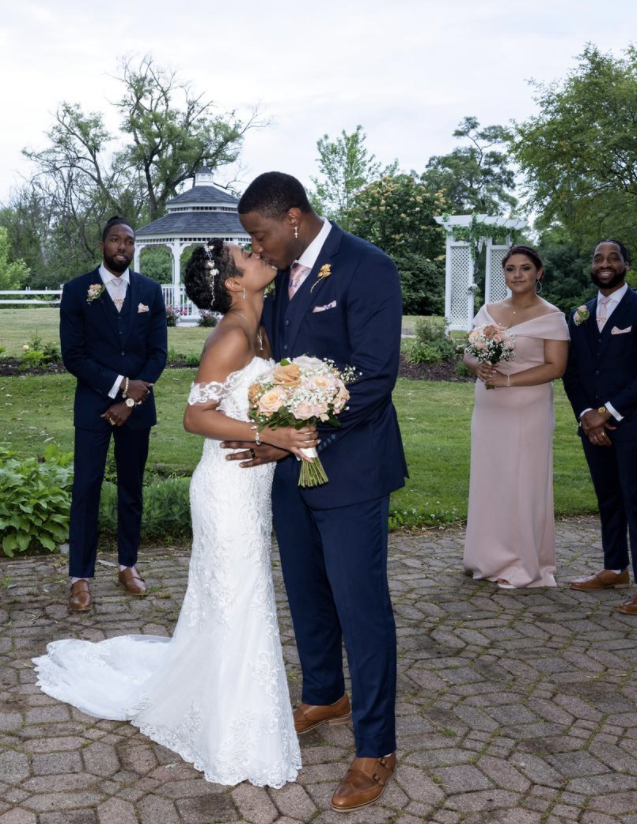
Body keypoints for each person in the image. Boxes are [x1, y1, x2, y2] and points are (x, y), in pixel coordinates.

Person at [34, 239, 315, 788]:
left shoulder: (260, 325)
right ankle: (235, 728)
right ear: (234, 282)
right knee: (240, 594)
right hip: (227, 488)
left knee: (239, 594)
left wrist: (288, 427)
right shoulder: (232, 335)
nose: (261, 254)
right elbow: (193, 417)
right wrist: (270, 432)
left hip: (253, 486)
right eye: (249, 254)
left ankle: (224, 699)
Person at [224, 172, 407, 812]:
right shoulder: (281, 277)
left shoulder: (367, 267)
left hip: (350, 468)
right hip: (288, 473)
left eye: (260, 234)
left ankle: (376, 746)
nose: (257, 246)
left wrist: (294, 438)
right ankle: (325, 692)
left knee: (361, 606)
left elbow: (376, 376)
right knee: (305, 589)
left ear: (294, 218)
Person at [58, 217, 168, 611]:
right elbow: (73, 355)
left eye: (129, 241)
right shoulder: (76, 291)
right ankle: (79, 577)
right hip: (93, 406)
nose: (122, 246)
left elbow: (158, 354)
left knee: (131, 488)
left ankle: (127, 565)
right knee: (86, 488)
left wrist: (132, 401)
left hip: (137, 410)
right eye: (115, 240)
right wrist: (121, 387)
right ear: (102, 244)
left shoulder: (150, 291)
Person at [563, 239, 637, 614]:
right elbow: (573, 372)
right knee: (607, 497)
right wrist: (585, 415)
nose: (604, 263)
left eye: (613, 258)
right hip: (591, 424)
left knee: (636, 499)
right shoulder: (579, 314)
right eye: (598, 258)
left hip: (634, 421)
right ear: (591, 266)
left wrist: (605, 413)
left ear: (626, 264)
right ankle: (614, 567)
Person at [462, 245, 570, 589]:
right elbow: (468, 353)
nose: (518, 275)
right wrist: (480, 366)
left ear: (539, 272)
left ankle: (525, 562)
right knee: (491, 478)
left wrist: (508, 379)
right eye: (510, 269)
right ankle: (487, 556)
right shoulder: (488, 311)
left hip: (528, 407)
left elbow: (556, 366)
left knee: (523, 481)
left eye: (525, 268)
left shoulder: (551, 315)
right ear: (504, 275)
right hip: (490, 407)